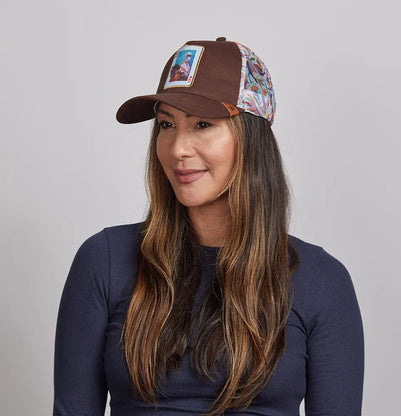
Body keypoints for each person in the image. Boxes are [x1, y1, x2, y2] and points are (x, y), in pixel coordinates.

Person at [53, 37, 365, 415]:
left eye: (202, 124)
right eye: (167, 124)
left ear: (251, 140)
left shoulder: (321, 281)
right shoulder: (104, 261)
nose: (178, 148)